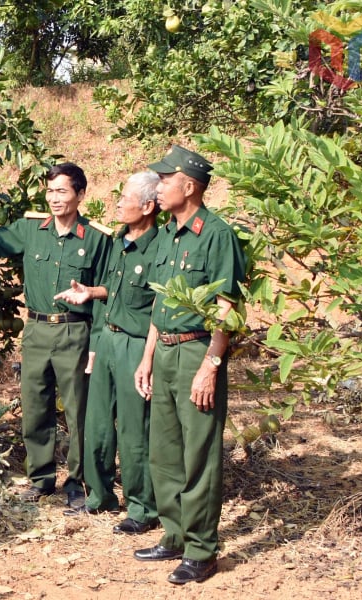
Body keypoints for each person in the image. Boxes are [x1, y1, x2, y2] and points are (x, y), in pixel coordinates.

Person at [0, 163, 112, 508]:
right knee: (35, 406)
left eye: (62, 191)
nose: (54, 198)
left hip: (75, 331)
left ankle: (78, 481)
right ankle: (41, 479)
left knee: (78, 411)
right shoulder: (30, 229)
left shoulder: (97, 238)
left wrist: (97, 343)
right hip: (37, 329)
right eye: (50, 191)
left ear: (81, 194)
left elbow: (105, 294)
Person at [132, 146, 246, 585]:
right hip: (164, 353)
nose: (158, 187)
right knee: (164, 452)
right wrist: (147, 358)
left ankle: (201, 550)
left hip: (197, 352)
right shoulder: (166, 235)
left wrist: (210, 366)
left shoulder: (217, 235)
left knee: (199, 454)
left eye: (165, 180)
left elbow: (227, 308)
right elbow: (160, 303)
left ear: (190, 186)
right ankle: (175, 535)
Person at [53, 171, 160, 534]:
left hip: (135, 345)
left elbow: (157, 308)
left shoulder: (159, 247)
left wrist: (148, 358)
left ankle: (142, 507)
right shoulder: (118, 241)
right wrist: (92, 300)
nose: (117, 203)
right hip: (108, 340)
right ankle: (99, 496)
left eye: (125, 198)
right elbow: (112, 294)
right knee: (97, 424)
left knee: (134, 430)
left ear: (147, 206)